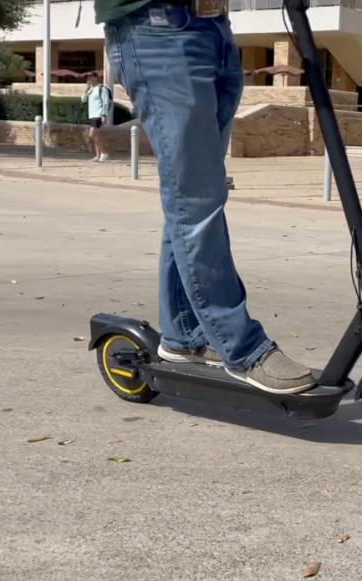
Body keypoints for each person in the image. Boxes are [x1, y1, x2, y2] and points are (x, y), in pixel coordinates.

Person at [97, 0, 316, 394]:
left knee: (190, 197)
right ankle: (241, 346)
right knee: (196, 200)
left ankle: (185, 334)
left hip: (214, 26)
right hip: (157, 29)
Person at [81, 72, 112, 162]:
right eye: (89, 78)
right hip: (92, 115)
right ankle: (98, 155)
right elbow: (83, 100)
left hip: (98, 114)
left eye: (93, 78)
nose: (91, 80)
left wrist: (104, 115)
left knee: (92, 134)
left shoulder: (102, 89)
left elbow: (105, 102)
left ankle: (103, 153)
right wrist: (86, 90)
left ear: (96, 79)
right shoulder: (91, 90)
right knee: (96, 135)